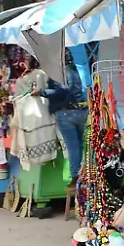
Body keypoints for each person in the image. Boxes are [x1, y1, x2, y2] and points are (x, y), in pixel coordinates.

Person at [34, 53, 87, 183]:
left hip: (65, 113)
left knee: (73, 146)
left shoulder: (59, 72)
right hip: (82, 110)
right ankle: (85, 174)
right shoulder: (80, 69)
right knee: (81, 145)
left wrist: (41, 92)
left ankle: (76, 176)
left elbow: (62, 91)